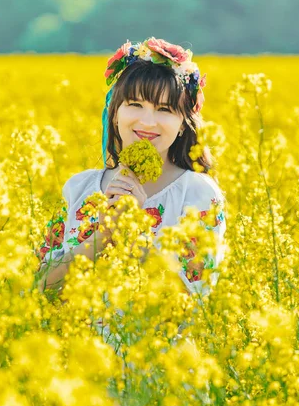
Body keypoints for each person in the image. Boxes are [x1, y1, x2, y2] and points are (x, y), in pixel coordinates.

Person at [36, 37, 226, 303]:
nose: (147, 122)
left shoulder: (198, 195)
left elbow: (194, 305)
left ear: (183, 123)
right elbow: (37, 291)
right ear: (115, 112)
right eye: (135, 105)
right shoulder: (78, 188)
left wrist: (133, 231)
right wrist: (103, 235)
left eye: (164, 109)